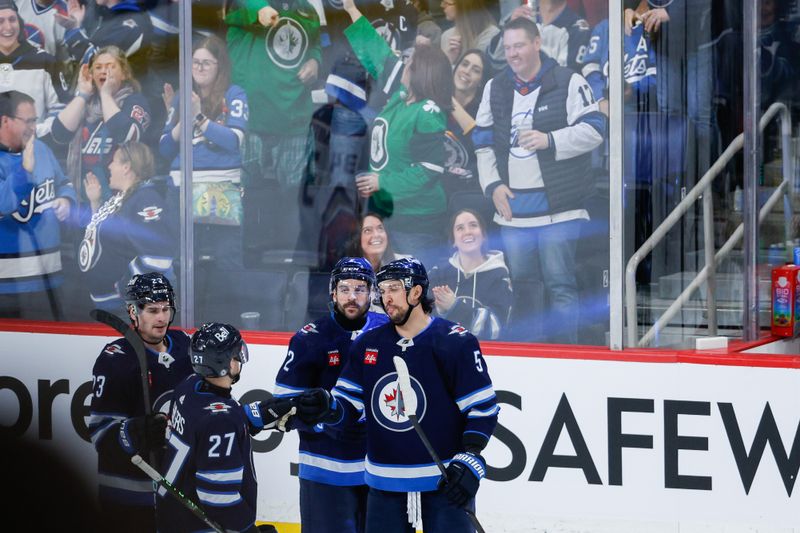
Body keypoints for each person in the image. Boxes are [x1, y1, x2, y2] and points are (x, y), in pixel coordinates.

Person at [297, 257, 499, 532]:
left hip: (444, 482)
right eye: (383, 289)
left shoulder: (455, 342)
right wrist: (326, 406)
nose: (386, 297)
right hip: (384, 485)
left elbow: (482, 409)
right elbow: (348, 405)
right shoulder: (369, 344)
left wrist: (472, 458)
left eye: (393, 288)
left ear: (416, 292)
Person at [472, 16, 604, 343]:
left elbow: (596, 130)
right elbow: (482, 142)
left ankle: (566, 356)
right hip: (515, 212)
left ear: (537, 43)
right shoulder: (495, 87)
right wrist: (493, 186)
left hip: (560, 208)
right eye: (508, 47)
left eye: (519, 45)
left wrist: (551, 140)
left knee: (560, 284)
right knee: (523, 286)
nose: (513, 53)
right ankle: (530, 354)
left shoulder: (568, 81)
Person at [273, 257, 389, 532]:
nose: (352, 296)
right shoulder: (309, 338)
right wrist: (326, 419)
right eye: (345, 288)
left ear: (372, 292)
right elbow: (283, 407)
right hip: (325, 471)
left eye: (360, 289)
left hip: (380, 470)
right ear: (333, 291)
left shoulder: (388, 332)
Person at [342, 0, 453, 267]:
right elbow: (380, 56)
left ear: (420, 72)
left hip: (418, 222)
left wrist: (383, 182)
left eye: (409, 62)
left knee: (414, 288)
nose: (403, 63)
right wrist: (351, 10)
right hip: (391, 215)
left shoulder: (428, 111)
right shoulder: (401, 97)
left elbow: (429, 169)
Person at [158, 322, 295, 533]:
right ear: (226, 362)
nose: (240, 357)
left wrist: (255, 416)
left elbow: (204, 429)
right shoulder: (222, 421)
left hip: (172, 518)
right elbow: (218, 498)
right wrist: (248, 529)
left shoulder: (188, 387)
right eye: (236, 353)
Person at [88, 272, 193, 533]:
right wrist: (135, 432)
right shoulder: (116, 359)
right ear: (133, 312)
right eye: (153, 310)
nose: (162, 318)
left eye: (166, 309)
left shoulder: (184, 347)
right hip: (127, 499)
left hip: (174, 494)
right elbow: (100, 434)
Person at [225, 0, 321, 258]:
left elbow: (313, 43)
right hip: (250, 121)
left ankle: (292, 263)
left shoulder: (306, 8)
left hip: (294, 120)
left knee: (294, 197)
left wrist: (314, 61)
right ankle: (244, 261)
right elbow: (233, 10)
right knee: (248, 193)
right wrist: (259, 10)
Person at [159, 34, 248, 269]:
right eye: (195, 62)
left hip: (221, 189)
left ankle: (226, 306)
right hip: (181, 189)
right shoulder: (181, 98)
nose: (199, 67)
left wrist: (199, 117)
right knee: (182, 261)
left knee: (226, 260)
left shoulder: (234, 94)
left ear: (220, 66)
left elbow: (233, 140)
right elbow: (165, 148)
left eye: (206, 62)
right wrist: (184, 117)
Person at [0, 90, 74, 320]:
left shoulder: (41, 149)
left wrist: (66, 199)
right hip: (8, 287)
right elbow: (3, 204)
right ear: (5, 120)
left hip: (49, 278)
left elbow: (64, 182)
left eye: (35, 120)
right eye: (28, 120)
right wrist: (24, 171)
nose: (34, 126)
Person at [78, 140, 176, 312]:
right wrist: (95, 202)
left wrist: (125, 288)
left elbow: (158, 257)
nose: (109, 166)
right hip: (106, 303)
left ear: (126, 167)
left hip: (124, 307)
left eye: (114, 161)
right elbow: (102, 240)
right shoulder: (123, 198)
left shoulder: (145, 199)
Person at [51, 45, 151, 201]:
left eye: (111, 67)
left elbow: (128, 136)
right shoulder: (86, 103)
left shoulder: (134, 100)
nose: (104, 71)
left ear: (124, 73)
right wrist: (83, 94)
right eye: (98, 67)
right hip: (84, 194)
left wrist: (106, 94)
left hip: (121, 197)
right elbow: (59, 133)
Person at [429, 208, 511, 340]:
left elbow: (496, 328)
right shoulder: (439, 271)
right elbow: (420, 316)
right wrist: (441, 310)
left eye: (473, 225)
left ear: (483, 235)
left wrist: (455, 307)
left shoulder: (499, 274)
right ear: (454, 240)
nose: (467, 232)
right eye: (460, 228)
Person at [0, 0, 68, 138]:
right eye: (0, 21)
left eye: (12, 19)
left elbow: (61, 111)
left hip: (33, 149)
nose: (8, 27)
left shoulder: (46, 62)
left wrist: (32, 133)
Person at [444, 48, 493, 221]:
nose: (467, 71)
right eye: (464, 64)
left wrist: (448, 98)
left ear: (481, 81)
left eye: (476, 70)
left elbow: (479, 139)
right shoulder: (434, 102)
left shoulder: (485, 110)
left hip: (466, 196)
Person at [439, 0, 499, 66]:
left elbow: (478, 69)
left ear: (463, 6)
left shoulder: (491, 34)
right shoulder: (446, 36)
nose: (441, 6)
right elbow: (441, 74)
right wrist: (450, 59)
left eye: (446, 3)